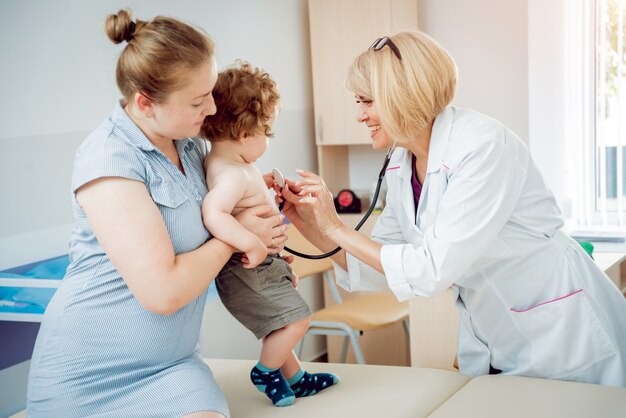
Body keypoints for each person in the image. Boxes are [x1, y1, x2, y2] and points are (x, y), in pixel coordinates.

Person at [279, 30, 626, 387]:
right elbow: (383, 266)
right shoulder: (401, 163)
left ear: (401, 95)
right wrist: (313, 229)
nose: (360, 115)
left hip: (561, 327)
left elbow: (430, 270)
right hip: (495, 331)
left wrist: (336, 228)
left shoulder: (482, 146)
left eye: (367, 101)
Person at [26, 10, 288, 418]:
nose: (213, 107)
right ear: (145, 103)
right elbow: (163, 292)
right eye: (199, 101)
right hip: (88, 375)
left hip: (173, 368)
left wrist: (261, 221)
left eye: (211, 91)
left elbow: (224, 205)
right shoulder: (109, 157)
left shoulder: (188, 144)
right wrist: (233, 237)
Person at [199, 61, 339, 407]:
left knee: (281, 322)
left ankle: (296, 378)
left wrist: (260, 190)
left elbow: (234, 205)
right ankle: (265, 371)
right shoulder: (232, 175)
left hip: (261, 261)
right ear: (245, 134)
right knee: (298, 318)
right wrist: (253, 245)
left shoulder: (234, 167)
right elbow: (213, 213)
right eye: (267, 133)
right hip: (247, 266)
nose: (267, 141)